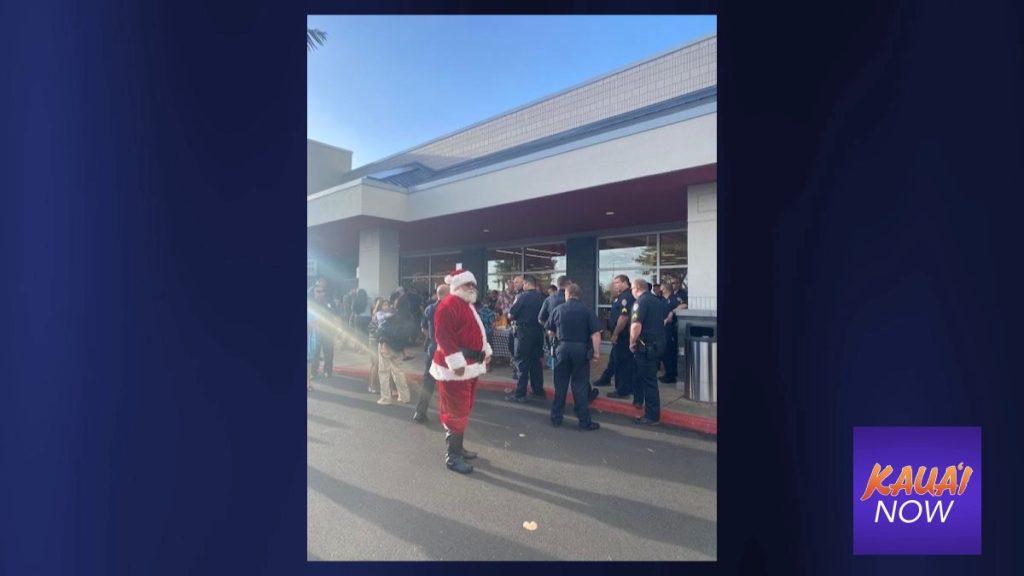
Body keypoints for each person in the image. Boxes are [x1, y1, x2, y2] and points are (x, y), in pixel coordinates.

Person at [429, 269, 493, 474]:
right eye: (468, 285)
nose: (472, 288)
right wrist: (455, 362)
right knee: (455, 411)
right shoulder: (448, 305)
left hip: (470, 366)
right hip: (456, 369)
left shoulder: (467, 305)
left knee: (463, 409)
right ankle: (452, 456)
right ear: (457, 286)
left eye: (473, 285)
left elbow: (478, 333)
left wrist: (486, 352)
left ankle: (459, 448)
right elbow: (443, 336)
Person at [544, 284, 602, 431]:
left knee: (560, 385)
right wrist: (596, 353)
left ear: (567, 294)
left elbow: (550, 331)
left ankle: (556, 418)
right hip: (581, 350)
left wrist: (558, 338)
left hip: (562, 349)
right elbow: (596, 334)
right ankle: (584, 422)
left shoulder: (558, 310)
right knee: (580, 386)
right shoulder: (587, 311)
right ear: (578, 295)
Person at [630, 279, 668, 425]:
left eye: (632, 288)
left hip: (646, 347)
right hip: (657, 345)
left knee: (649, 381)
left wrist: (632, 342)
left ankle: (652, 415)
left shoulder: (640, 302)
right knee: (649, 378)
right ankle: (646, 407)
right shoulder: (657, 301)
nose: (631, 291)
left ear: (637, 288)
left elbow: (636, 326)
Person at [597, 275, 637, 406]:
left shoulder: (626, 297)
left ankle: (622, 390)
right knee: (614, 360)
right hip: (620, 336)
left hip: (622, 336)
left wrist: (615, 334)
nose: (615, 285)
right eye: (614, 283)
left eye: (617, 283)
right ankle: (606, 379)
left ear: (625, 282)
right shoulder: (620, 297)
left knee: (622, 364)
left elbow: (624, 318)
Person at [507, 274, 546, 402]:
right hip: (538, 333)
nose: (522, 286)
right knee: (536, 362)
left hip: (524, 333)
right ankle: (538, 389)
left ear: (528, 284)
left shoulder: (522, 297)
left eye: (523, 284)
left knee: (522, 362)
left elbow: (511, 314)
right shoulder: (542, 298)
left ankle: (520, 394)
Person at [413, 283, 449, 423]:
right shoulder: (450, 308)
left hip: (433, 347)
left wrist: (431, 338)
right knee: (447, 381)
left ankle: (419, 412)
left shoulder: (429, 308)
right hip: (447, 348)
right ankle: (447, 414)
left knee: (428, 380)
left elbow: (423, 328)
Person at [377, 295, 415, 405]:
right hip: (398, 347)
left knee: (384, 371)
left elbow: (382, 330)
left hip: (387, 345)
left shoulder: (392, 316)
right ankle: (404, 396)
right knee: (398, 371)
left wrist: (383, 343)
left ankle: (385, 398)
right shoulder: (410, 318)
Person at [308, 278, 338, 380]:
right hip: (314, 331)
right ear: (315, 291)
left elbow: (334, 315)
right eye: (318, 291)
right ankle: (313, 372)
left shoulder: (328, 302)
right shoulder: (310, 302)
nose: (321, 293)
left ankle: (327, 371)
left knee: (328, 352)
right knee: (315, 353)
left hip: (327, 331)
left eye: (323, 291)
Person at [538, 275, 570, 372]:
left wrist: (548, 329)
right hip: (571, 336)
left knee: (557, 364)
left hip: (554, 335)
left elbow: (540, 318)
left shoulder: (549, 299)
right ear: (568, 284)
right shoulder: (573, 299)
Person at [367, 298, 392, 395]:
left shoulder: (382, 315)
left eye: (388, 304)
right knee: (375, 365)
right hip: (375, 342)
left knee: (376, 365)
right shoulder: (378, 315)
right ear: (380, 306)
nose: (387, 306)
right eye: (385, 304)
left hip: (378, 341)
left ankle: (372, 385)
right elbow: (374, 329)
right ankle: (373, 386)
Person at [659, 282, 683, 384]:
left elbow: (684, 305)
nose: (660, 288)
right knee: (664, 353)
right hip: (663, 330)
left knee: (670, 353)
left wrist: (672, 312)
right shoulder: (662, 300)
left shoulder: (674, 298)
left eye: (661, 286)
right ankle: (668, 374)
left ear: (665, 289)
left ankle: (671, 376)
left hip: (671, 330)